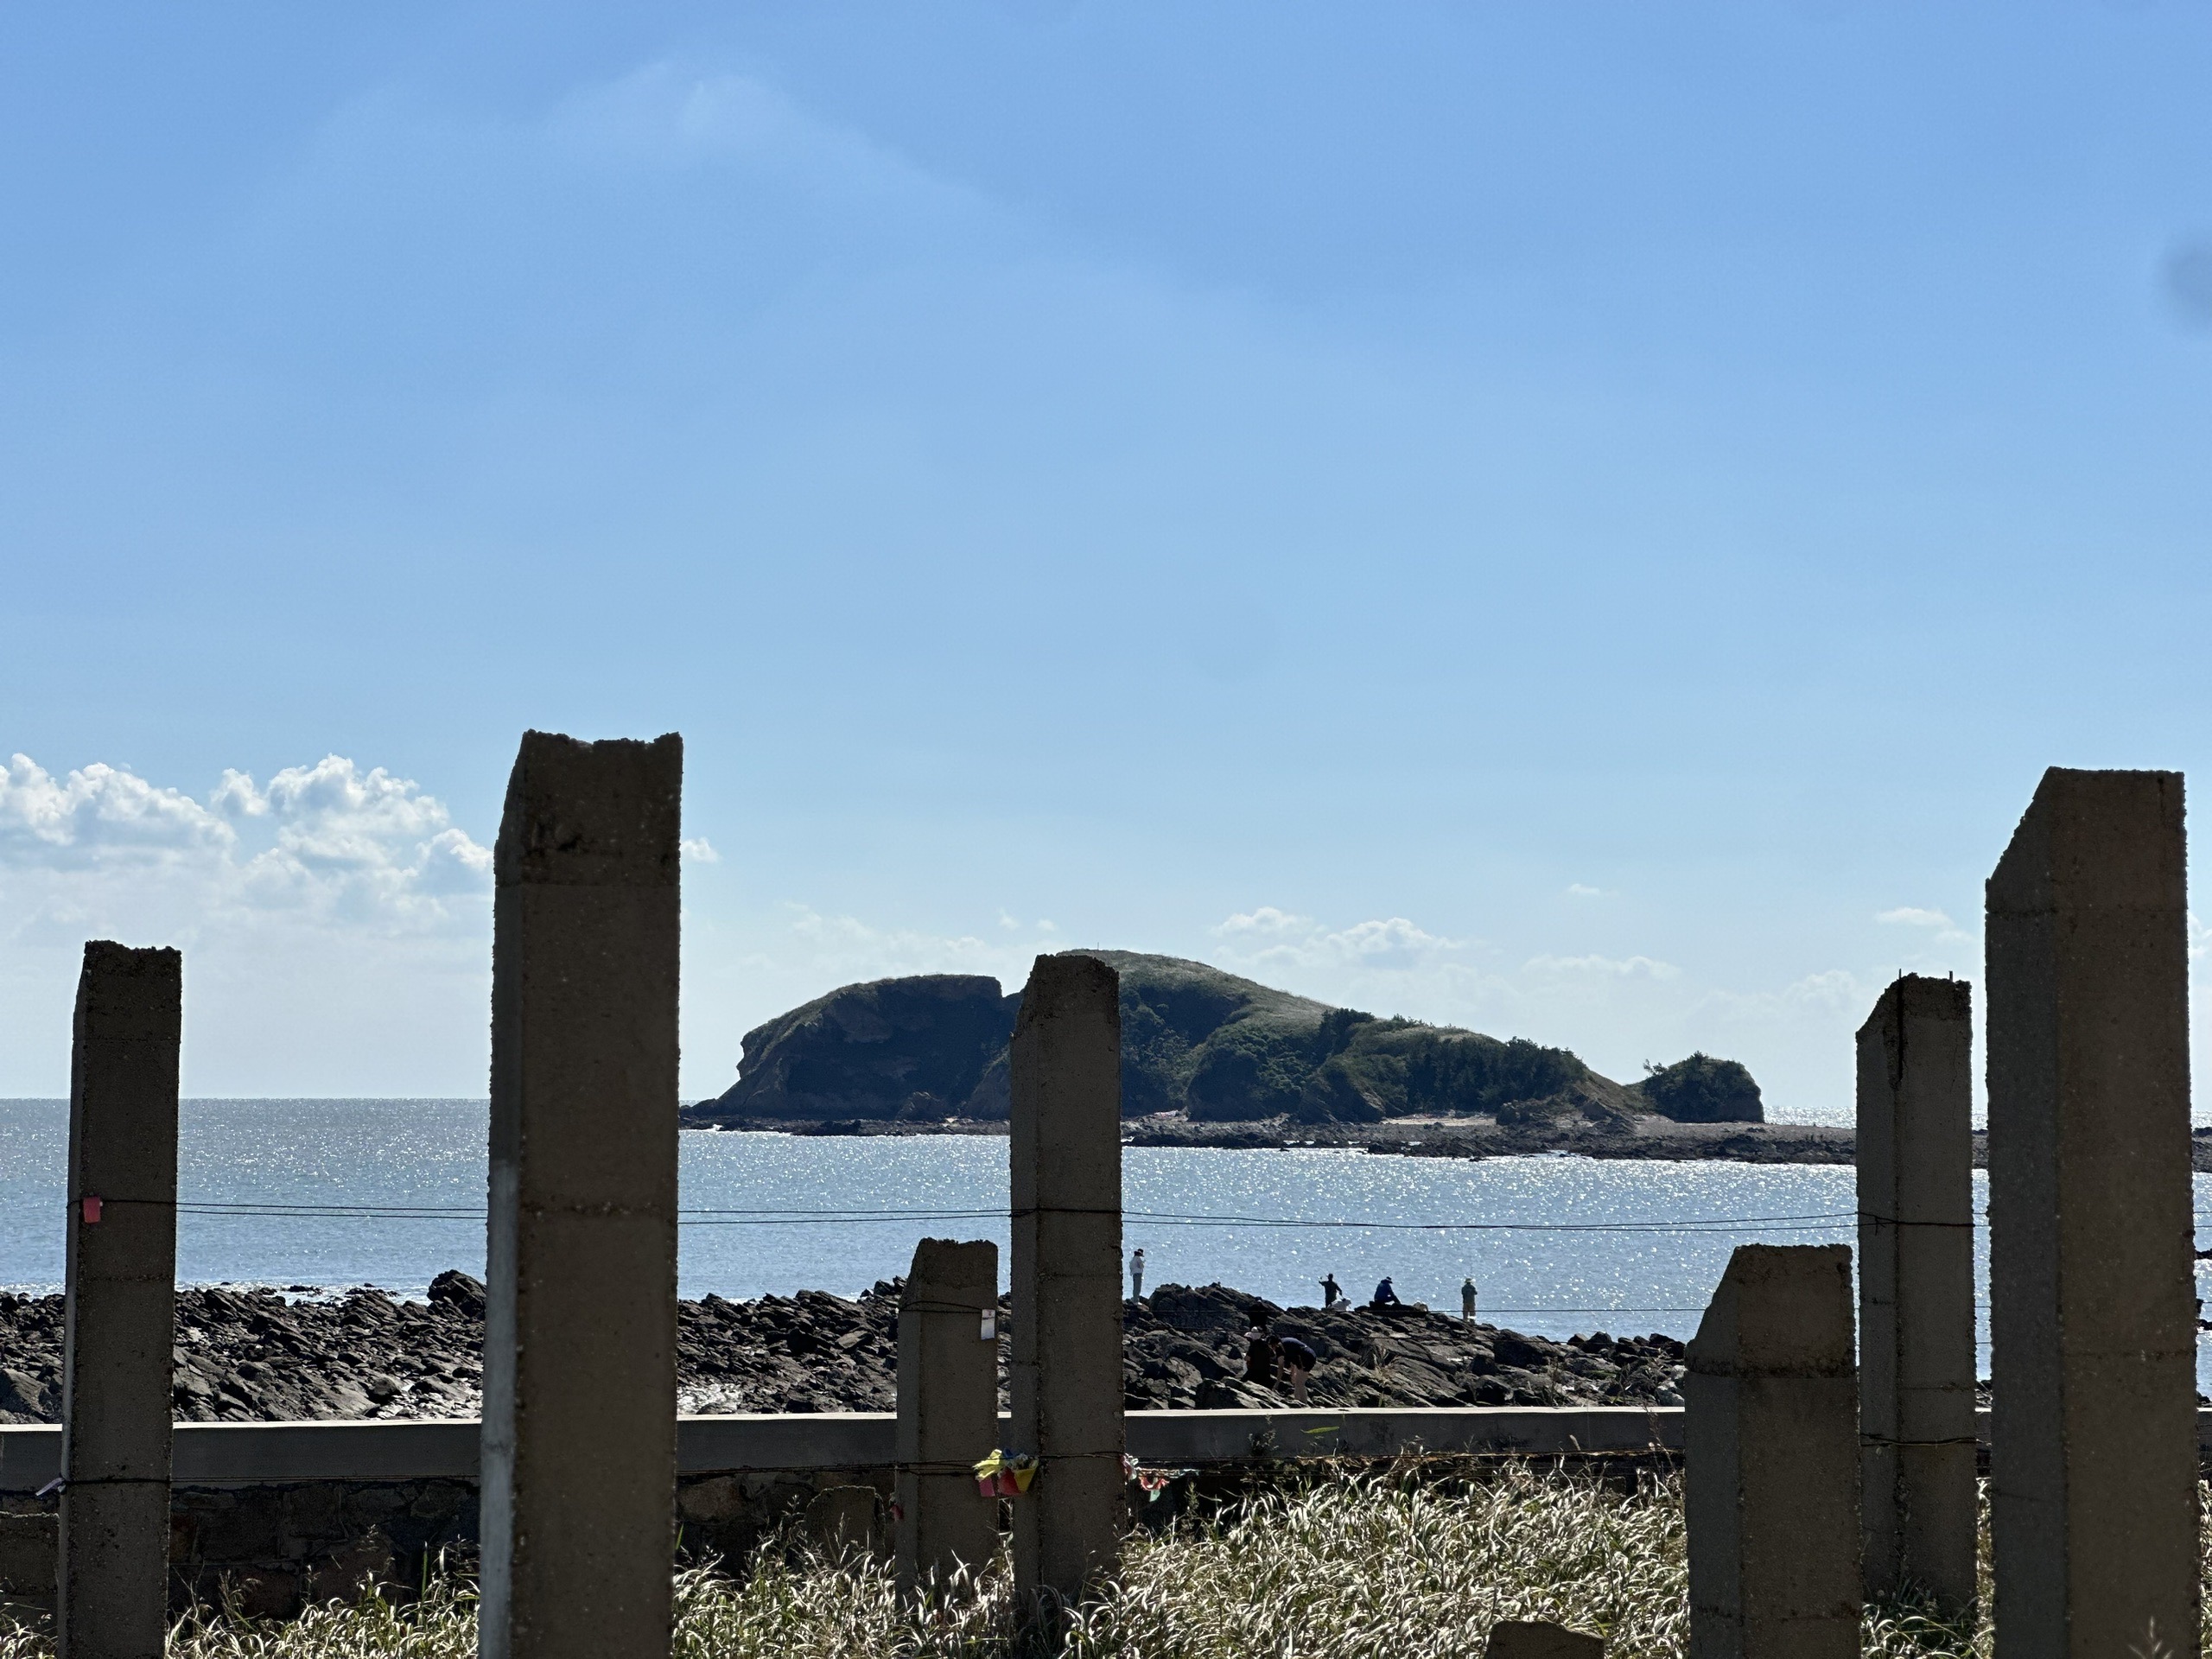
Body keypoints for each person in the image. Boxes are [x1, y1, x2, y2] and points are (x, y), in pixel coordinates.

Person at [1279, 1333, 1318, 1403]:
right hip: (1305, 1356)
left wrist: (1297, 1369)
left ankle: (1303, 1402)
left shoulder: (1285, 1346)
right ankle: (1297, 1400)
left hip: (1307, 1358)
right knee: (1297, 1381)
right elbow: (1293, 1359)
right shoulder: (1285, 1343)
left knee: (1300, 1382)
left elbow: (1295, 1359)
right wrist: (1293, 1372)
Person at [1244, 1316, 1278, 1387]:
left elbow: (1247, 1359)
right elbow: (1273, 1356)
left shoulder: (1253, 1346)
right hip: (1265, 1373)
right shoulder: (1266, 1345)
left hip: (1254, 1372)